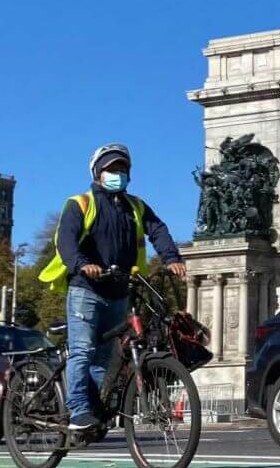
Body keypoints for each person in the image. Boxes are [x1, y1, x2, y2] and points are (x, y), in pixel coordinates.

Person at [39, 143, 186, 430]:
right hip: (86, 288)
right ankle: (78, 409)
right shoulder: (80, 203)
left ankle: (93, 410)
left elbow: (158, 229)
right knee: (82, 349)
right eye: (111, 169)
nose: (117, 174)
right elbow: (65, 240)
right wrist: (82, 263)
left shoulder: (136, 206)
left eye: (122, 169)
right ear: (97, 173)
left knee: (105, 357)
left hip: (119, 291)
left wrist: (171, 258)